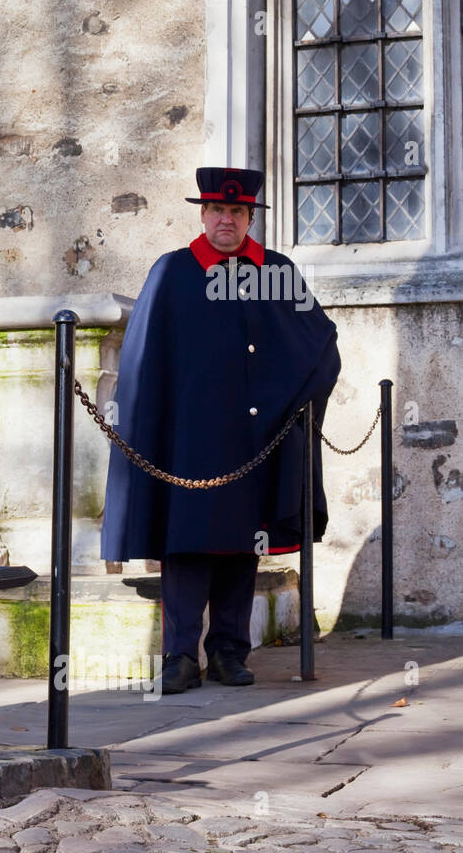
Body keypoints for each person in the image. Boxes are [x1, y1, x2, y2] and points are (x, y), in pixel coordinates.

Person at [99, 167, 341, 693]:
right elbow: (143, 363)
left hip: (254, 443)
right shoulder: (171, 272)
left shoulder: (277, 272)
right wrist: (147, 426)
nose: (225, 220)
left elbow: (320, 346)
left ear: (249, 217)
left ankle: (230, 653)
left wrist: (295, 411)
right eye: (216, 210)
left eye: (236, 212)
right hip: (188, 441)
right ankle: (180, 657)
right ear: (203, 214)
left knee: (239, 545)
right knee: (185, 546)